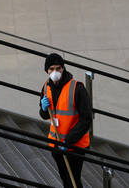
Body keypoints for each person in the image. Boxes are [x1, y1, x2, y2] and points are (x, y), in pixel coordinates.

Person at [39, 53, 92, 188]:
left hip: (75, 146)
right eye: (51, 69)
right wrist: (44, 108)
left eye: (58, 68)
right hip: (56, 143)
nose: (55, 72)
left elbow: (86, 119)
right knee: (65, 177)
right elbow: (44, 115)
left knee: (73, 179)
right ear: (47, 70)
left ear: (63, 69)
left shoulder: (77, 88)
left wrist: (68, 141)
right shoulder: (46, 87)